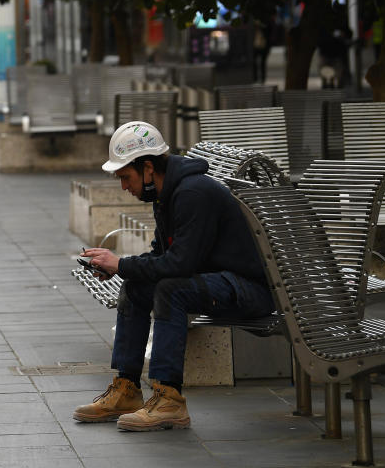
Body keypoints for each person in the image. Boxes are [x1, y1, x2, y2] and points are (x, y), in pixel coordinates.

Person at [72, 121, 274, 431]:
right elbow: (161, 256)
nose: (124, 187)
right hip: (215, 280)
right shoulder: (167, 194)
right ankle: (127, 388)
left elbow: (179, 265)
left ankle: (170, 399)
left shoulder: (193, 194)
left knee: (170, 289)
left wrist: (122, 264)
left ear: (148, 168)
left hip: (248, 289)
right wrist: (118, 267)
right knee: (137, 287)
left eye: (126, 177)